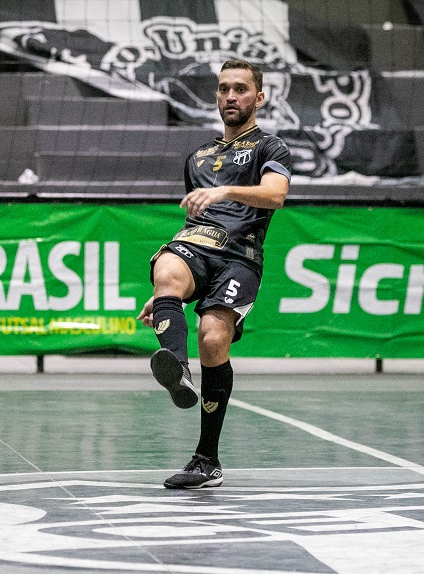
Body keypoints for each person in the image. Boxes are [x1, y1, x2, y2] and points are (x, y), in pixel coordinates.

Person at [137, 59, 292, 489]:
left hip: (241, 256)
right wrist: (167, 293)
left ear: (258, 97)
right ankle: (178, 371)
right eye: (224, 89)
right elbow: (192, 223)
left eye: (241, 89)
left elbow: (276, 196)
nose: (230, 97)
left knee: (212, 338)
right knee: (167, 266)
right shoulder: (198, 156)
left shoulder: (270, 148)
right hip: (195, 246)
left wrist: (225, 189)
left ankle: (206, 460)